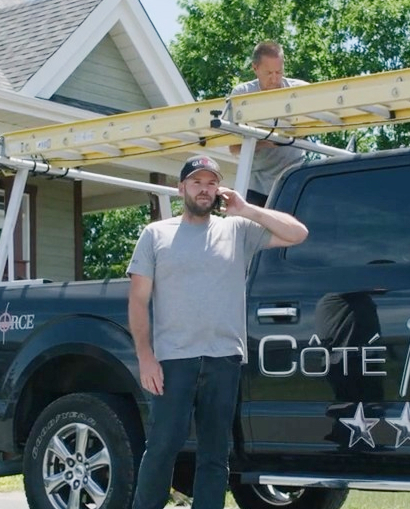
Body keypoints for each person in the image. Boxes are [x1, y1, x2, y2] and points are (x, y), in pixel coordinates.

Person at [127, 155, 308, 509]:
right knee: (163, 447)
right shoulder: (156, 234)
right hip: (173, 362)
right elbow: (137, 301)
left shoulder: (237, 230)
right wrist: (146, 358)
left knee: (214, 454)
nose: (204, 189)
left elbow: (298, 233)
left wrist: (248, 210)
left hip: (223, 359)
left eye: (211, 183)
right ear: (182, 188)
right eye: (196, 182)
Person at [228, 41, 309, 206]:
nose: (274, 79)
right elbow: (234, 148)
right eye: (269, 73)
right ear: (255, 69)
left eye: (279, 72)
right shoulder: (242, 95)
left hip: (293, 178)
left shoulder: (300, 91)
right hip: (256, 183)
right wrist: (263, 142)